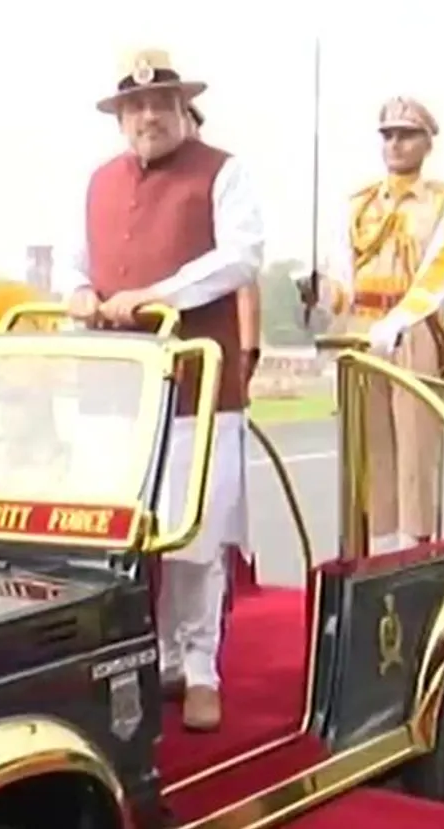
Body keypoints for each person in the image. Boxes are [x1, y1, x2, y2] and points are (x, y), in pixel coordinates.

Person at [66, 48, 265, 731]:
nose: (148, 116)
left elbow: (242, 255)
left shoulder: (221, 171)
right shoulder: (97, 182)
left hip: (193, 388)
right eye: (135, 107)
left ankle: (198, 663)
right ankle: (134, 658)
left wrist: (158, 294)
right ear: (120, 118)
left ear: (184, 108)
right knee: (114, 534)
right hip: (114, 391)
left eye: (161, 103)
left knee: (194, 534)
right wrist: (81, 292)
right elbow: (74, 262)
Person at [296, 97, 444, 554]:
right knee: (370, 447)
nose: (395, 144)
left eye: (406, 135)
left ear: (427, 143)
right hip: (362, 327)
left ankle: (414, 550)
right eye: (388, 135)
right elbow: (344, 281)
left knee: (416, 446)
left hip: (413, 328)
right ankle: (379, 546)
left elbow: (440, 274)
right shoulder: (359, 205)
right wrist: (321, 291)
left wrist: (396, 322)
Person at [186, 104, 260, 607]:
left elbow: (244, 280)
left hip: (214, 368)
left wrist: (248, 348)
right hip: (155, 381)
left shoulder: (218, 178)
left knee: (212, 512)